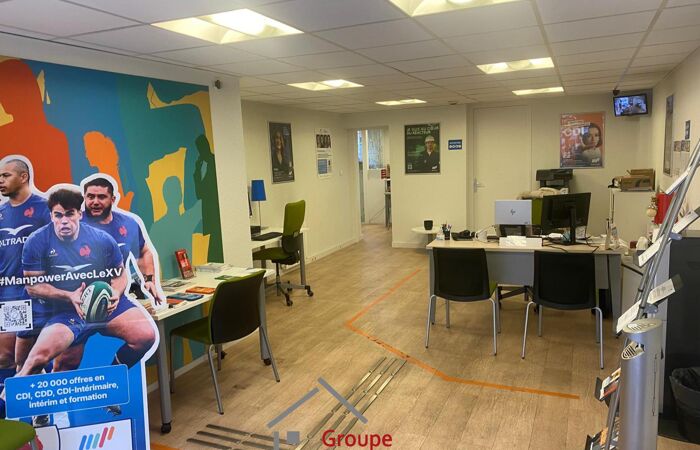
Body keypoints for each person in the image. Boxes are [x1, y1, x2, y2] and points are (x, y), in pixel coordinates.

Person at [0, 157, 50, 419]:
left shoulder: (45, 209)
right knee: (6, 358)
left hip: (38, 297)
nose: (0, 181)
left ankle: (41, 411)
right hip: (9, 298)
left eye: (5, 175)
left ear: (23, 176)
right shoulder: (1, 212)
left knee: (36, 357)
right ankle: (12, 414)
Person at [81, 176, 163, 305]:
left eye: (101, 197)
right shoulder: (72, 225)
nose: (95, 202)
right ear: (84, 198)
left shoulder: (129, 224)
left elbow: (143, 252)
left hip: (117, 296)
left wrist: (148, 280)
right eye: (90, 197)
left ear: (113, 199)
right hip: (80, 299)